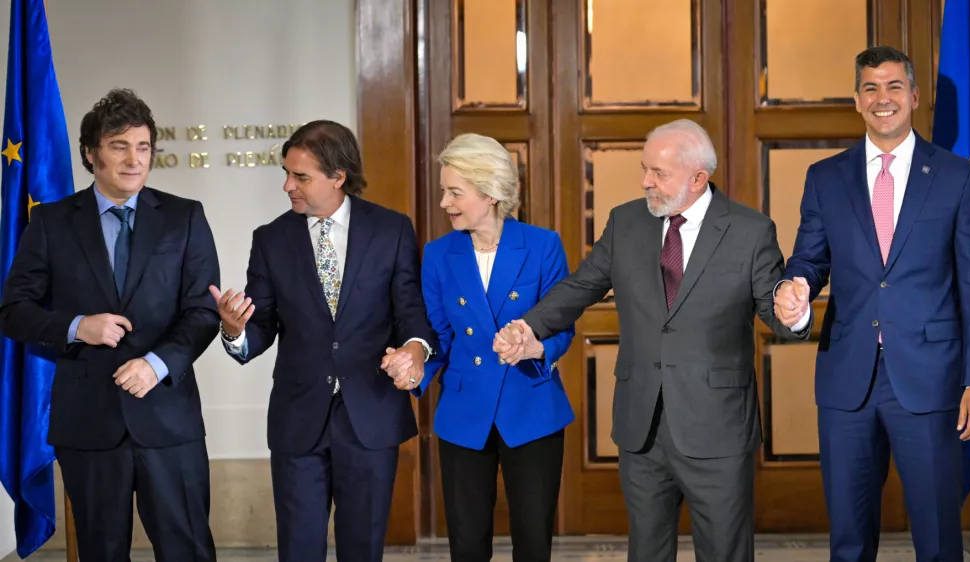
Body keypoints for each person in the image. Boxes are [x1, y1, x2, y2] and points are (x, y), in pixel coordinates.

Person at [494, 119, 807, 561]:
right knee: (647, 551)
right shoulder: (626, 222)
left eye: (658, 174)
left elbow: (770, 305)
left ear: (698, 178)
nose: (646, 182)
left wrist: (793, 311)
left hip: (716, 427)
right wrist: (530, 327)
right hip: (642, 424)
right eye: (645, 169)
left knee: (724, 552)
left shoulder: (750, 230)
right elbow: (582, 285)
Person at [774, 46, 970, 561]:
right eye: (871, 88)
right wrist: (798, 288)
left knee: (939, 540)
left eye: (894, 86)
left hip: (933, 380)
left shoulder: (958, 178)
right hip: (846, 380)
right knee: (849, 542)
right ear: (856, 100)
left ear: (915, 97)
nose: (883, 98)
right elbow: (809, 260)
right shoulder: (825, 178)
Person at [0, 88, 220, 560]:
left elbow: (202, 313)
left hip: (168, 420)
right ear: (90, 153)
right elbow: (14, 311)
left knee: (189, 551)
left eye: (143, 147)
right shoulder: (51, 223)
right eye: (120, 146)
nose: (134, 160)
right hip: (88, 425)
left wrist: (156, 365)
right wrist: (79, 326)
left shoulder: (184, 217)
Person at [209, 119, 436, 562]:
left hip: (370, 416)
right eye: (286, 173)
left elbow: (411, 312)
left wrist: (414, 351)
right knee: (298, 550)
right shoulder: (271, 239)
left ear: (338, 176)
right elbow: (263, 325)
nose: (287, 186)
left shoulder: (391, 230)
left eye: (300, 176)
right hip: (298, 421)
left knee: (362, 550)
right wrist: (235, 332)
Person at [386, 133, 574, 561]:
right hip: (464, 414)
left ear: (489, 193)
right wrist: (414, 364)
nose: (444, 203)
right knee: (467, 546)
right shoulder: (437, 254)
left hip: (532, 411)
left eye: (455, 192)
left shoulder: (542, 245)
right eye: (443, 191)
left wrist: (535, 348)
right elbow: (438, 336)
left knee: (532, 544)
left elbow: (562, 326)